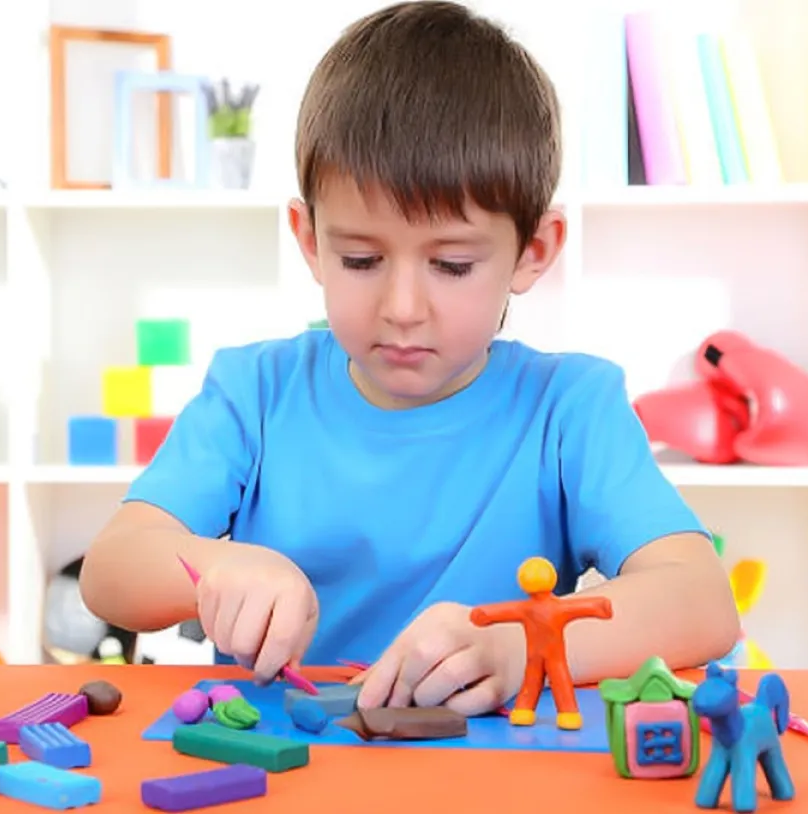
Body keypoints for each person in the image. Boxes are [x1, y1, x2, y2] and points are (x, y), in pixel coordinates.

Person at [80, 0, 739, 717]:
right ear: (310, 240)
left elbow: (702, 601)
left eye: (451, 265)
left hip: (488, 766)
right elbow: (111, 571)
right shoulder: (255, 392)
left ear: (533, 251)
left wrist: (519, 647)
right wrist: (219, 565)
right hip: (286, 761)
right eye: (361, 259)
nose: (401, 307)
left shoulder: (571, 407)